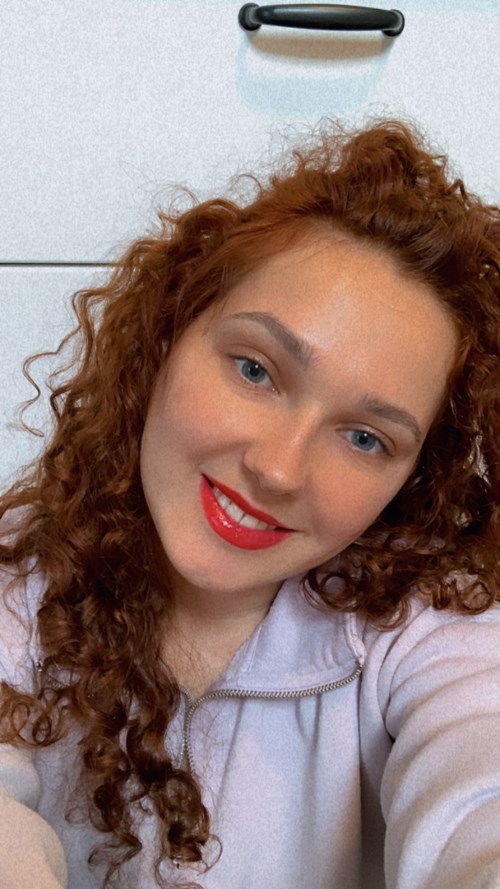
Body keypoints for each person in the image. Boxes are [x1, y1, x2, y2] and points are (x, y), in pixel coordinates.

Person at [0, 118, 499, 889]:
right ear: (168, 335)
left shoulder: (431, 628)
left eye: (364, 437)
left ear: (413, 478)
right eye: (255, 370)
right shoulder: (21, 573)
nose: (277, 469)